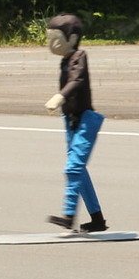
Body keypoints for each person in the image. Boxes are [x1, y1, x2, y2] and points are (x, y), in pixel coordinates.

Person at [43, 13, 106, 232]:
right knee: (80, 172)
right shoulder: (64, 61)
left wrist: (60, 96)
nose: (51, 44)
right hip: (70, 121)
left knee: (73, 168)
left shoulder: (79, 56)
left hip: (86, 121)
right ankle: (97, 219)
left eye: (55, 38)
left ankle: (68, 216)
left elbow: (77, 80)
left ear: (71, 38)